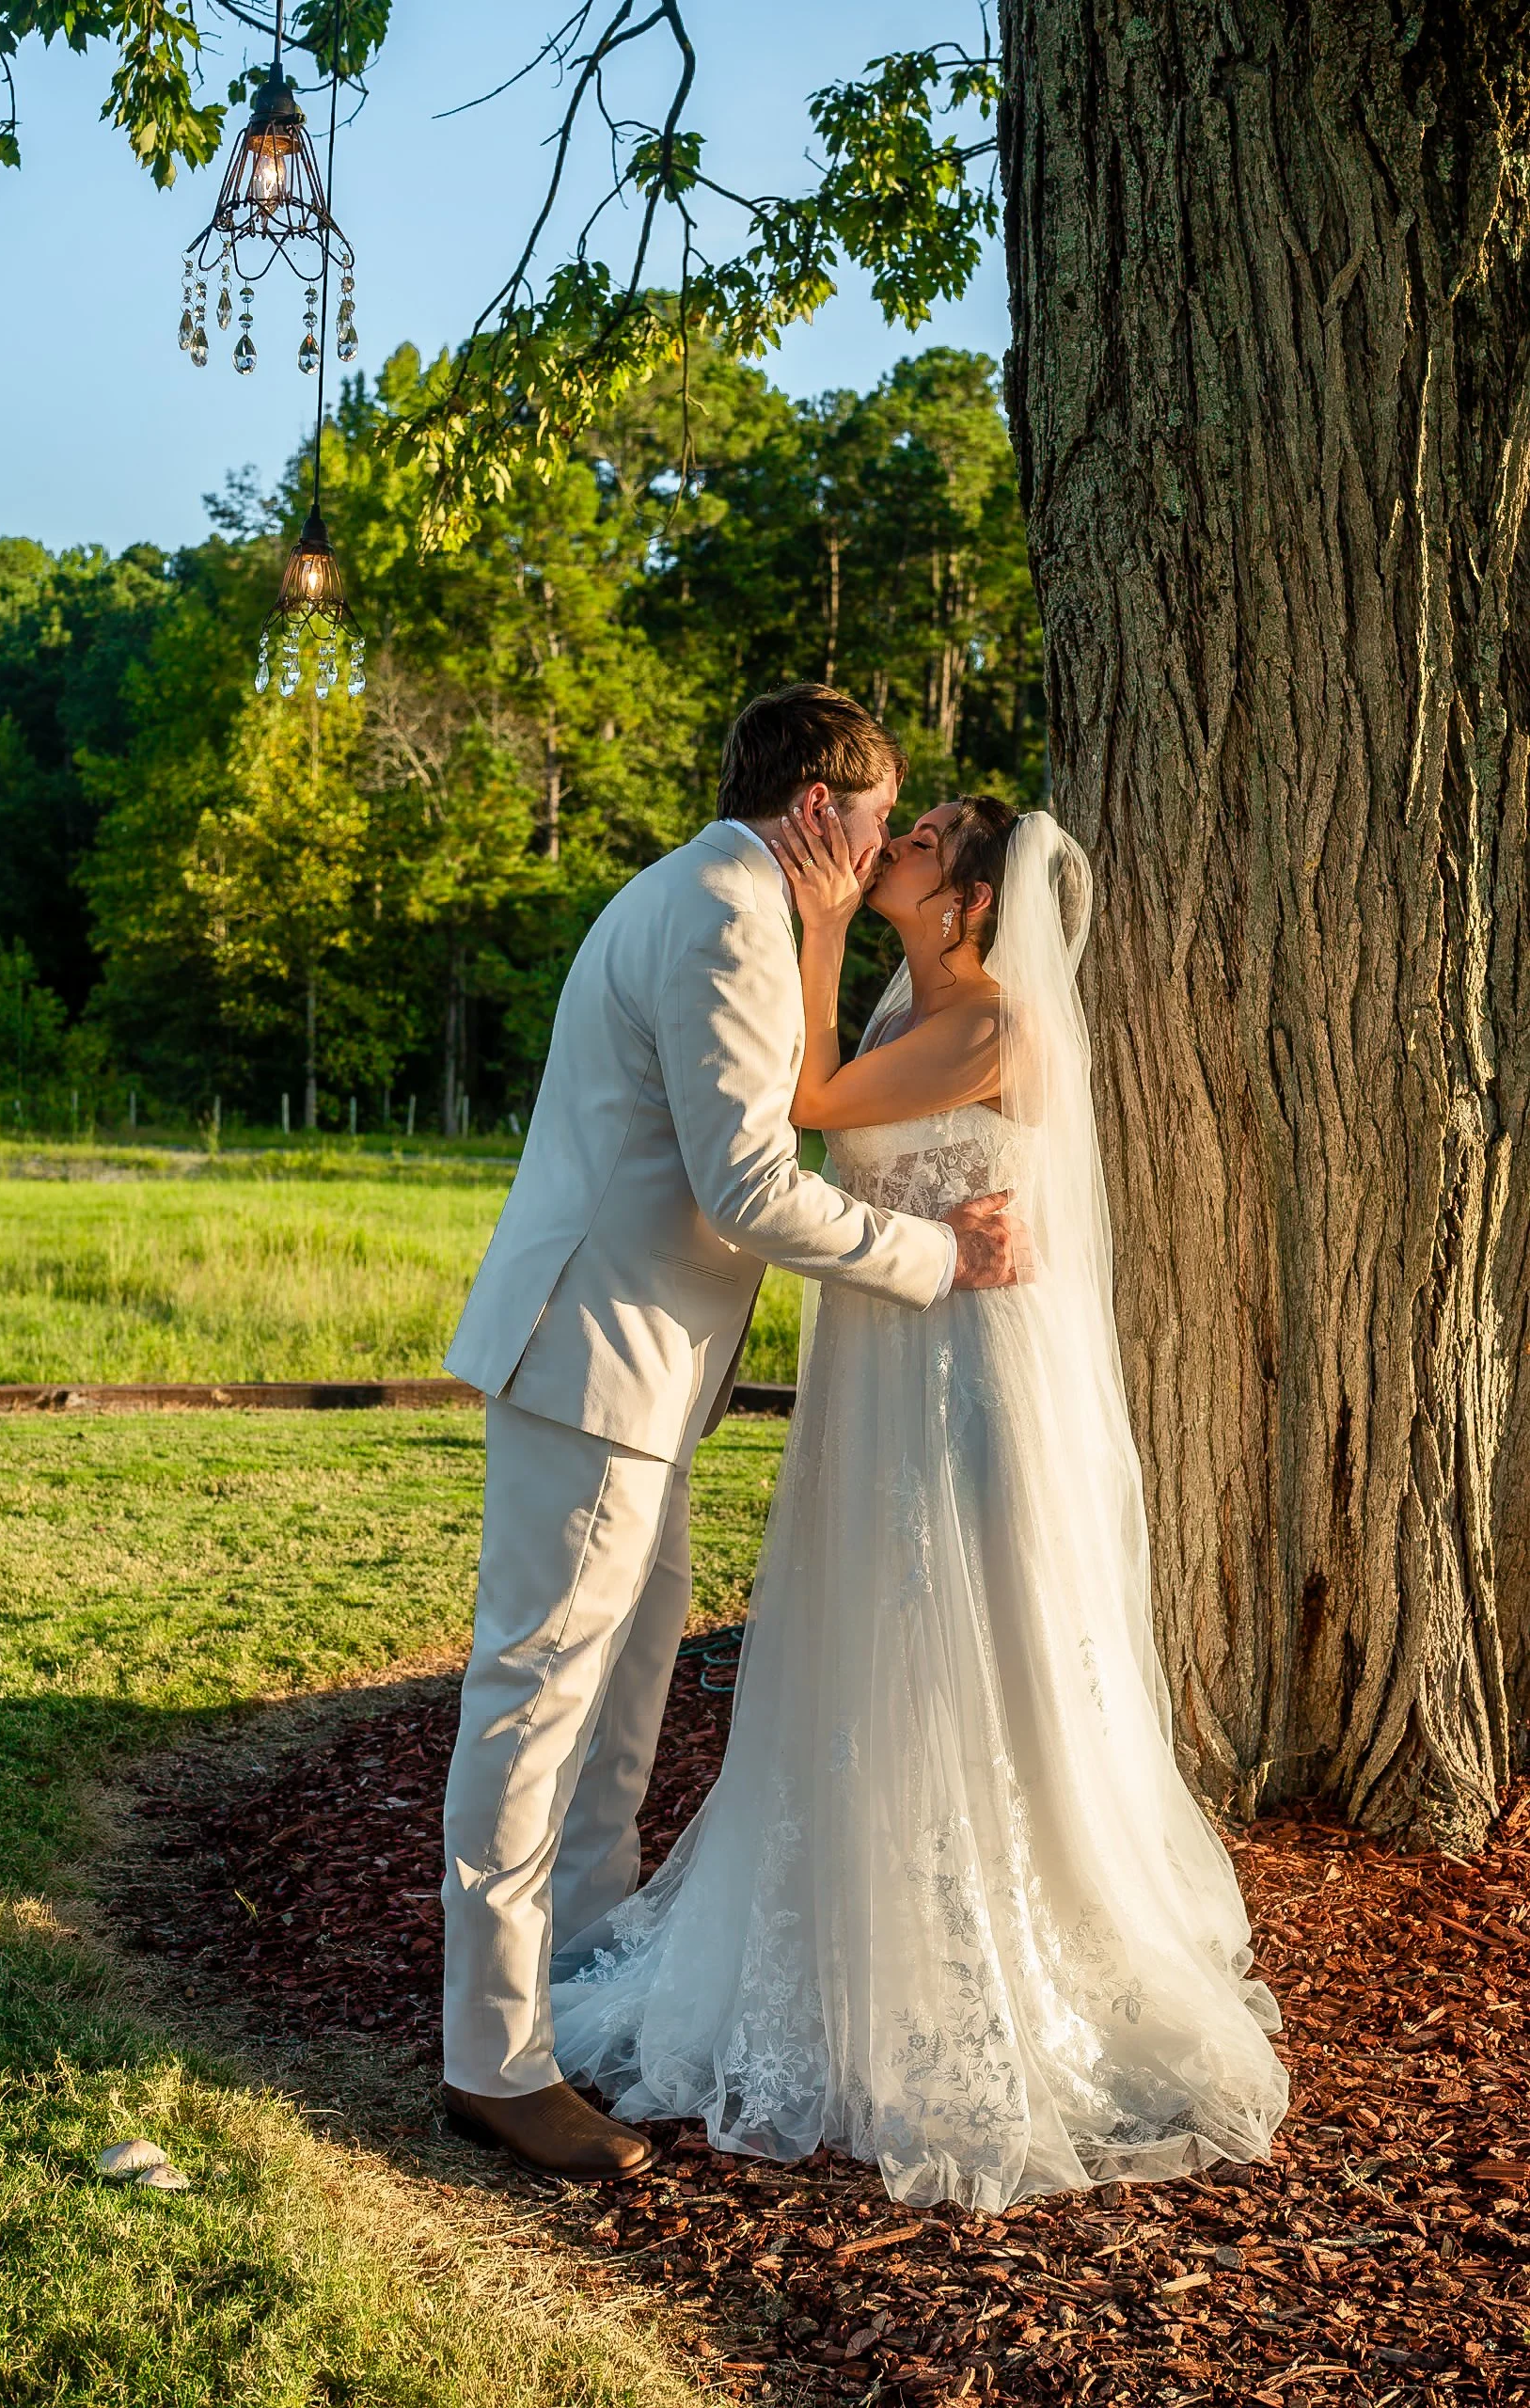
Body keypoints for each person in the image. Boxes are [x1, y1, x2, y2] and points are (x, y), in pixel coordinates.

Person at [550, 795, 1290, 2210]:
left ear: (964, 902)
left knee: (961, 1638)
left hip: (962, 1378)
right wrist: (831, 939)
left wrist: (817, 923)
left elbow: (810, 1104)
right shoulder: (911, 1009)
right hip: (879, 1362)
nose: (903, 836)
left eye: (931, 833)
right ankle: (851, 1923)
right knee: (868, 1642)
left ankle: (980, 1947)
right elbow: (820, 1096)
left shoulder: (996, 1022)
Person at [438, 688, 1033, 2182]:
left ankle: (575, 1976)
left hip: (638, 1365)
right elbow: (745, 1190)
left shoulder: (705, 888)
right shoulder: (721, 915)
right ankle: (489, 2059)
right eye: (883, 810)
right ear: (819, 810)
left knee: (618, 1692)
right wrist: (931, 1258)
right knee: (536, 1703)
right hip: (595, 1361)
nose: (894, 837)